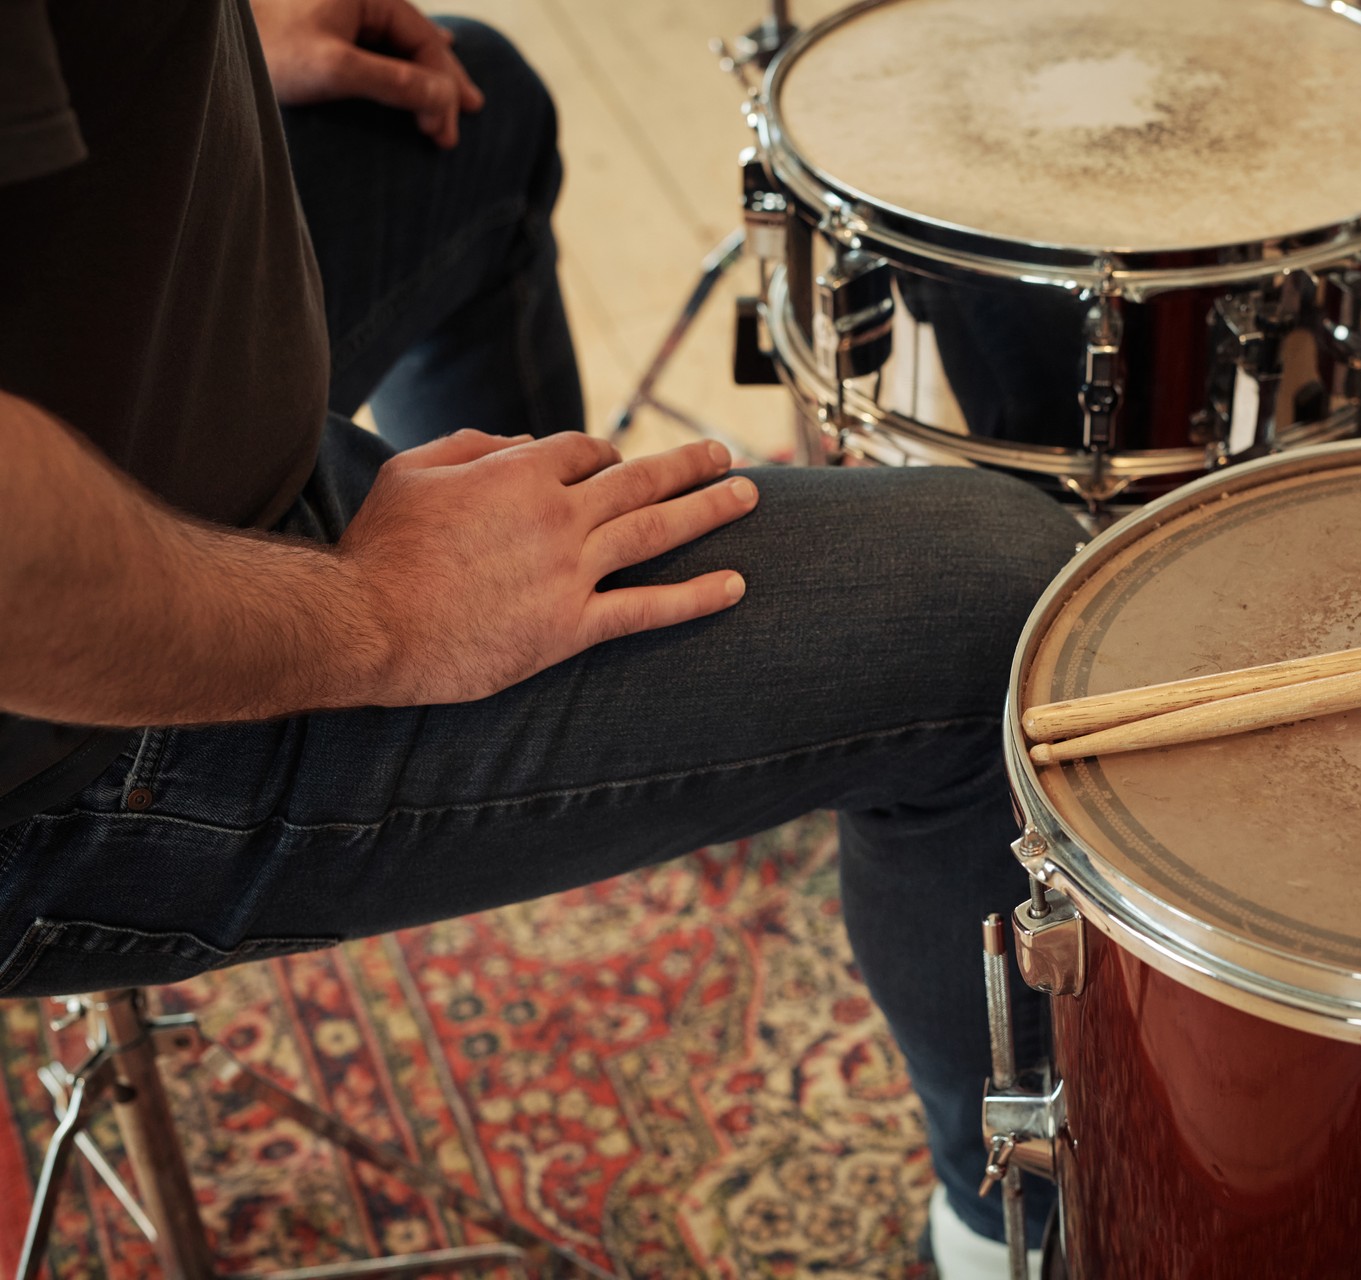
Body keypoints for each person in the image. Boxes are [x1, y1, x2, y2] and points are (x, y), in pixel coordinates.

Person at [0, 0, 1080, 1273]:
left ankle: (588, 722)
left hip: (132, 436)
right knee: (1012, 613)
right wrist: (385, 616)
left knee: (468, 105)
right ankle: (1007, 1230)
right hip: (77, 715)